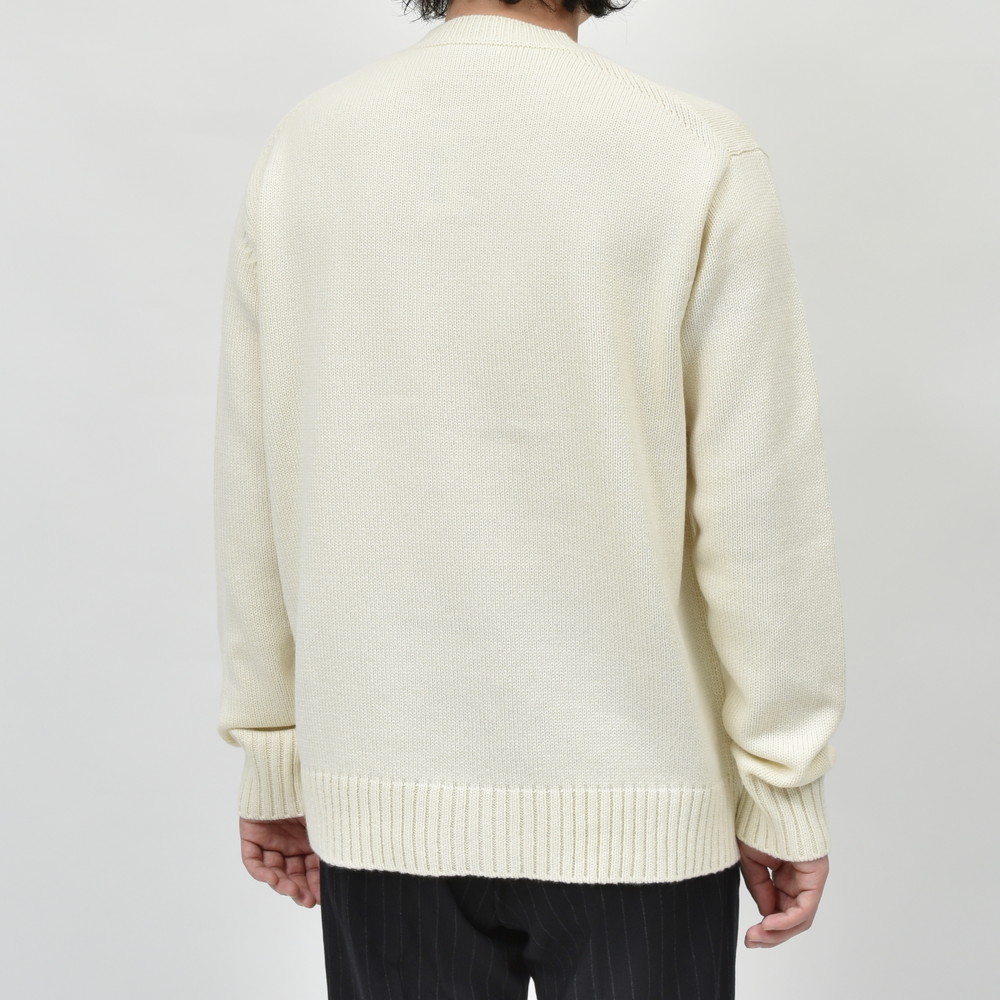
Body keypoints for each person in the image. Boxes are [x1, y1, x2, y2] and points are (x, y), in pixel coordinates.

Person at [212, 0, 847, 996]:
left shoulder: (310, 146)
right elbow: (761, 515)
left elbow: (258, 481)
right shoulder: (692, 151)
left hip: (382, 791)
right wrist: (782, 788)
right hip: (639, 806)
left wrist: (277, 754)